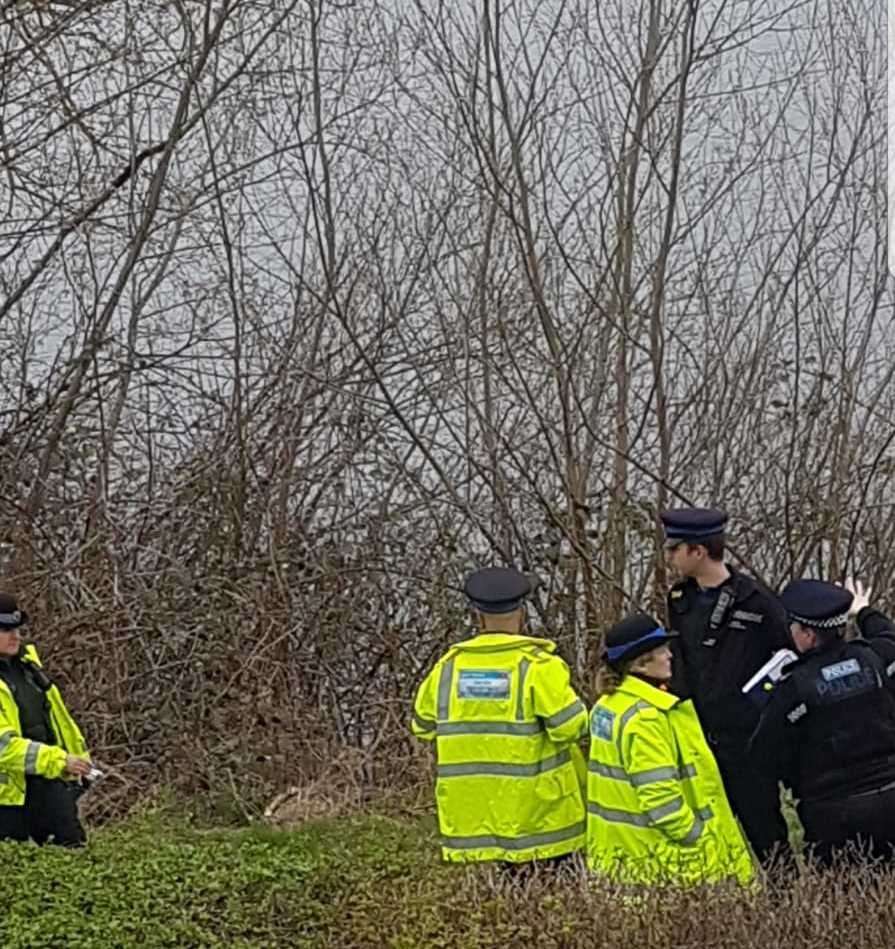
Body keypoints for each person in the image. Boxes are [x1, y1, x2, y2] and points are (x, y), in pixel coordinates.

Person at [411, 566, 588, 868]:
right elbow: (571, 727)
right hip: (539, 826)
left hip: (471, 826)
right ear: (521, 615)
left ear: (477, 617)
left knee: (487, 910)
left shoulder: (447, 669)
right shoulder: (538, 667)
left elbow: (423, 727)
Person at [660, 507, 792, 865]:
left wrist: (758, 712)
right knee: (706, 833)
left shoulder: (756, 601)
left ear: (698, 552)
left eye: (674, 549)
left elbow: (785, 661)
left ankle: (788, 902)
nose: (668, 557)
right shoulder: (680, 600)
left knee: (764, 830)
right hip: (698, 736)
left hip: (746, 740)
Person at [586, 613, 753, 885]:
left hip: (620, 853)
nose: (670, 656)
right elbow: (662, 801)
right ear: (641, 664)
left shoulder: (607, 706)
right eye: (661, 650)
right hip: (660, 862)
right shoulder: (646, 719)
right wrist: (699, 837)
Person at [749, 578, 895, 866]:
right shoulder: (875, 658)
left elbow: (763, 756)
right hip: (891, 799)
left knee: (845, 902)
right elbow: (889, 636)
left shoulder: (792, 688)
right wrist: (864, 611)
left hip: (834, 818)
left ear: (807, 635)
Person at [0, 593, 93, 846]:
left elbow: (58, 722)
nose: (15, 635)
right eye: (5, 629)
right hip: (7, 803)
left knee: (74, 855)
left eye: (17, 628)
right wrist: (60, 760)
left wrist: (81, 764)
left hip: (48, 784)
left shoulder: (29, 669)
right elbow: (4, 748)